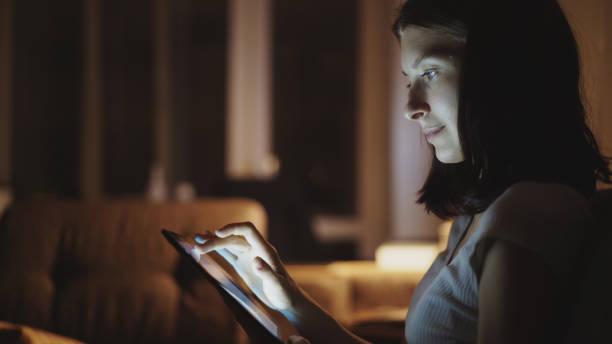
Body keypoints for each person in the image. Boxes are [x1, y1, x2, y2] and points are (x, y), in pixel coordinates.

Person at [196, 0, 611, 342]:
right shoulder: (481, 215)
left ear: (504, 70)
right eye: (409, 79)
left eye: (430, 73)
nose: (412, 106)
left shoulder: (527, 213)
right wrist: (287, 299)